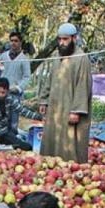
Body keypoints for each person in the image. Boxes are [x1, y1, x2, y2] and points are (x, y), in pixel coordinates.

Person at [37, 23, 93, 164]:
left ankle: (71, 173)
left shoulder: (81, 58)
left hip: (71, 109)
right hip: (55, 108)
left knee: (70, 145)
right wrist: (43, 99)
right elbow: (50, 79)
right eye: (60, 39)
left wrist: (76, 111)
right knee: (52, 140)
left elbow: (83, 85)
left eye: (65, 39)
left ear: (74, 38)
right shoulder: (57, 56)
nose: (61, 43)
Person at [0, 78, 43, 150]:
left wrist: (39, 117)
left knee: (27, 147)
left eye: (3, 92)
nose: (0, 95)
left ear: (7, 91)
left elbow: (21, 110)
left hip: (5, 132)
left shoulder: (10, 98)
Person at [0, 31, 32, 131]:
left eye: (16, 41)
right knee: (0, 118)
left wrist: (18, 88)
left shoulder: (24, 59)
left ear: (20, 42)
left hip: (15, 95)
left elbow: (27, 77)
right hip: (2, 94)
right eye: (11, 41)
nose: (13, 43)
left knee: (13, 121)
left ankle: (13, 141)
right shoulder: (2, 57)